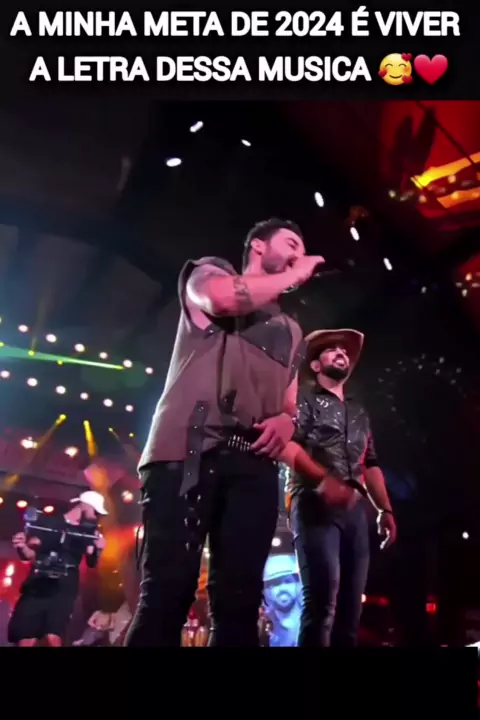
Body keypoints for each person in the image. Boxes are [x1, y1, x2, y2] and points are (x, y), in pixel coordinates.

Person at [125, 218, 325, 647]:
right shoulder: (208, 273)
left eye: (302, 248)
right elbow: (222, 299)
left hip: (255, 465)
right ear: (258, 245)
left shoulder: (292, 331)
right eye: (291, 242)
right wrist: (296, 273)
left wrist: (288, 421)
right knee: (167, 591)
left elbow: (289, 402)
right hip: (186, 452)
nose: (299, 253)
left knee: (240, 601)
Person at [284, 329, 397, 647]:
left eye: (345, 351)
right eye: (331, 349)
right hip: (313, 503)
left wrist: (385, 509)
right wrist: (323, 481)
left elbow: (370, 463)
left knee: (350, 611)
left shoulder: (359, 411)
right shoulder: (303, 400)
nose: (341, 352)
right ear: (316, 365)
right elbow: (288, 445)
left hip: (355, 512)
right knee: (322, 604)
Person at [8, 490, 107, 647]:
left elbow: (91, 562)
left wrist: (99, 549)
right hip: (40, 580)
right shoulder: (49, 522)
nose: (96, 516)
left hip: (65, 586)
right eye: (95, 511)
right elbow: (30, 553)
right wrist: (22, 547)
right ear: (83, 505)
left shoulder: (90, 532)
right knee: (27, 634)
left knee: (54, 633)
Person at [263, 554, 302, 646]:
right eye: (276, 584)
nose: (282, 589)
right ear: (267, 590)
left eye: (288, 581)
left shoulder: (311, 619)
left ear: (298, 584)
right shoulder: (264, 624)